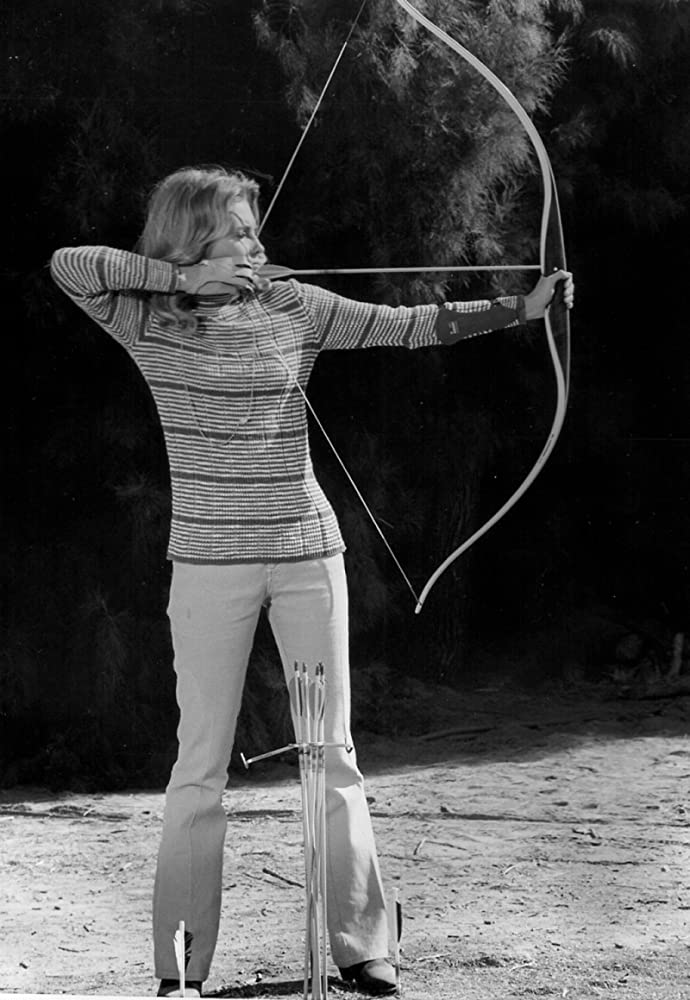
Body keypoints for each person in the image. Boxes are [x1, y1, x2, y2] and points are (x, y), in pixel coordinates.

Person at [50, 165, 575, 998]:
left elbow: (409, 325)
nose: (256, 242)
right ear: (192, 234)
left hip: (306, 551)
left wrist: (522, 308)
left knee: (331, 754)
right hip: (208, 564)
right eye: (238, 229)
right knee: (199, 765)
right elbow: (68, 264)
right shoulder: (144, 315)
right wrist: (182, 281)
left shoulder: (293, 305)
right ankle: (181, 969)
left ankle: (365, 949)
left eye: (254, 228)